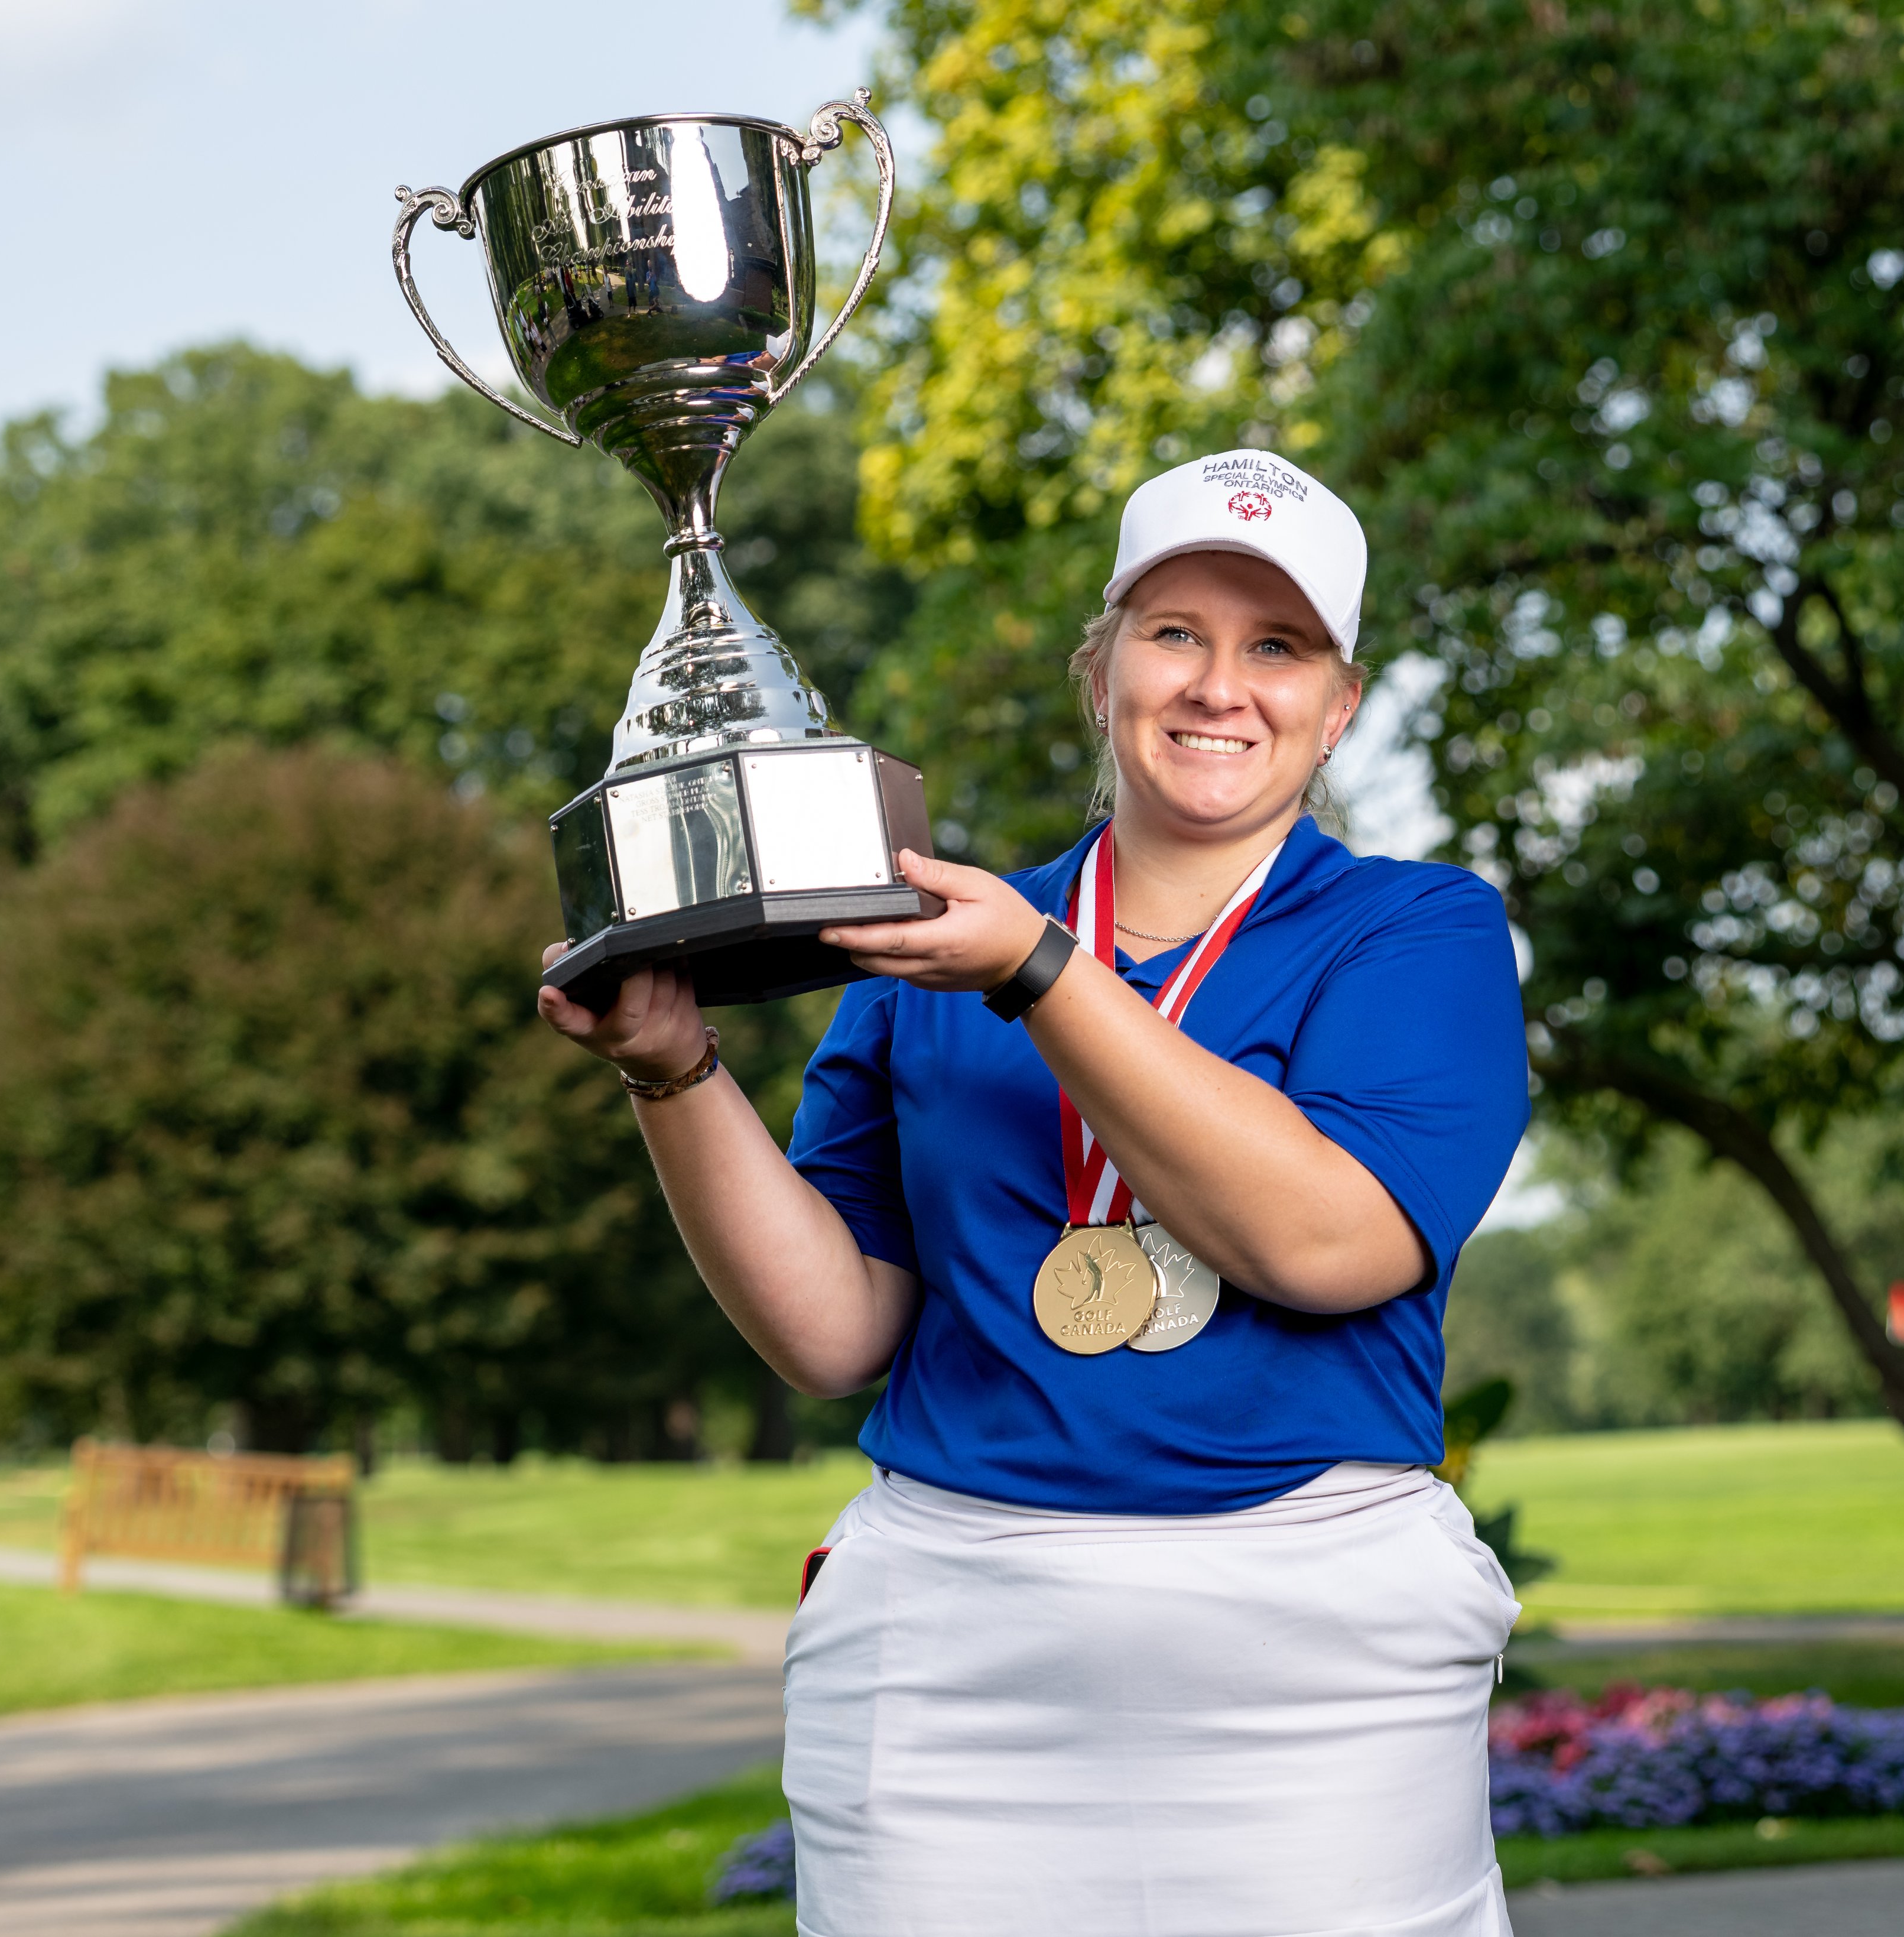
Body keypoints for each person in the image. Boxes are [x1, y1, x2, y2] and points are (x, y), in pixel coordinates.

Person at [539, 448, 1531, 1936]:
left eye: (1277, 646)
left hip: (1312, 1645)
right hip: (950, 1638)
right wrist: (673, 1072)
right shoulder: (929, 945)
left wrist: (1036, 972)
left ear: (1341, 707)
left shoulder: (1416, 930)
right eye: (1173, 633)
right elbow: (832, 1333)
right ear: (1101, 667)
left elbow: (1325, 1243)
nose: (1217, 684)